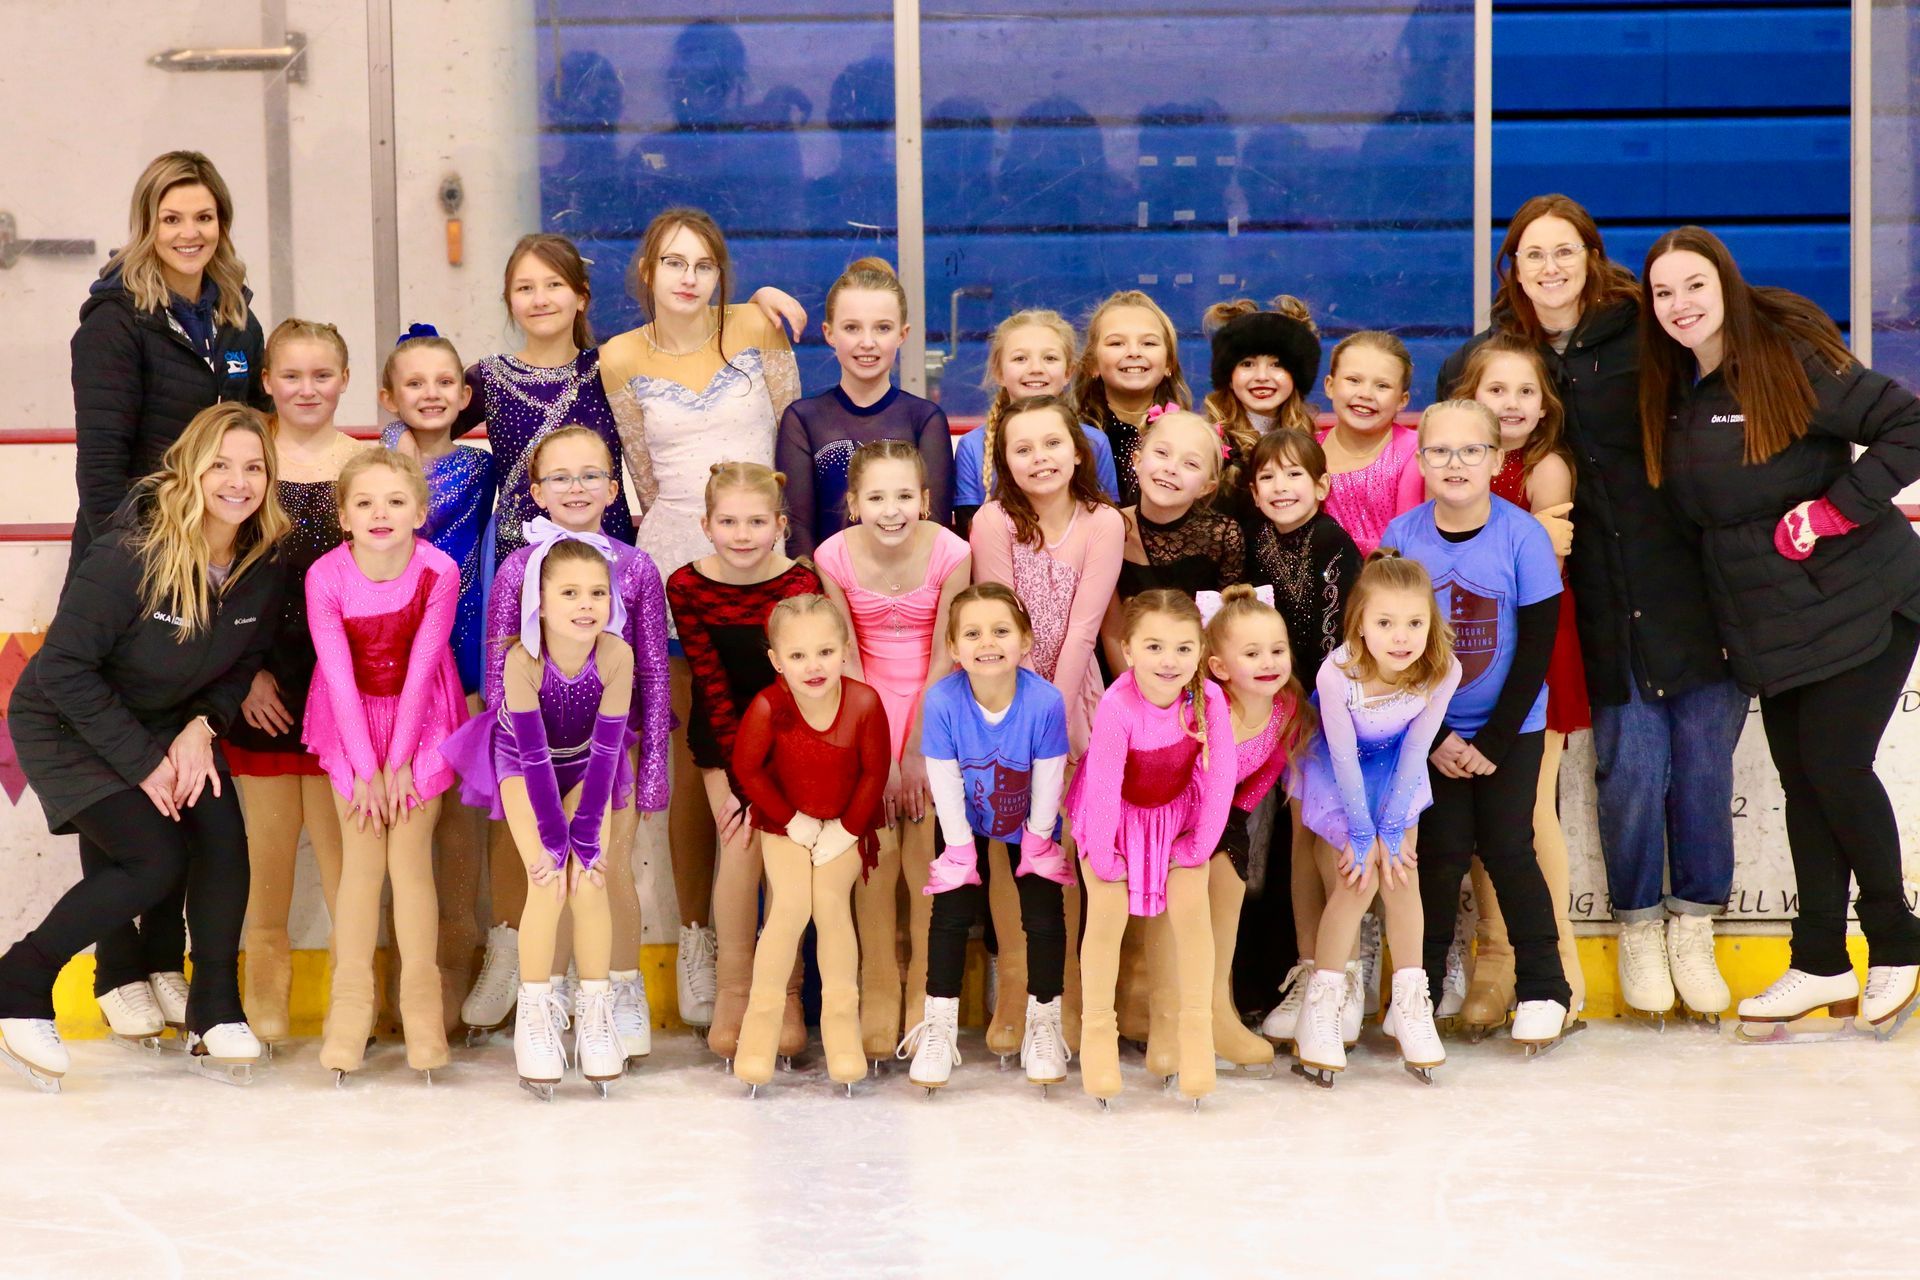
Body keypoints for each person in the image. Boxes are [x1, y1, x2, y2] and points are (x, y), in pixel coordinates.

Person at [1436, 194, 1746, 1026]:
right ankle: (1636, 926)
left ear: (1591, 255)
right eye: (1532, 253)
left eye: (1564, 250)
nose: (1549, 267)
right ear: (1513, 267)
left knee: (1704, 767)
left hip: (1679, 577)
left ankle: (1695, 924)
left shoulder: (1645, 331)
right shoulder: (1494, 358)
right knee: (1631, 769)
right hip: (1588, 599)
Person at [1641, 226, 1920, 1039]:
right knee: (1807, 783)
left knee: (1834, 765)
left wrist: (1837, 510)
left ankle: (1898, 941)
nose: (1680, 305)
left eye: (1694, 285)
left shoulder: (1788, 358)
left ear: (1725, 284)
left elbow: (1907, 424)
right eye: (1663, 293)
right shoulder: (1679, 393)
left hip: (1864, 598)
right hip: (1772, 620)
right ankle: (1820, 963)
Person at [0, 403, 287, 1091]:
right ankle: (21, 980)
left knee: (222, 835)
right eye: (221, 464)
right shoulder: (130, 552)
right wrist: (145, 764)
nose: (238, 481)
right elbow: (65, 669)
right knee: (153, 859)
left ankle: (215, 1005)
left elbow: (241, 666)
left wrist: (202, 729)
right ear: (190, 469)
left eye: (253, 467)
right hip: (68, 720)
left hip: (168, 719)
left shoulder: (265, 558)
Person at [599, 206, 804, 1028]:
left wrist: (769, 542)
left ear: (722, 273)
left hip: (766, 555)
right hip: (679, 560)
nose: (689, 277)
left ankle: (781, 970)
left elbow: (787, 438)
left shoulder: (758, 325)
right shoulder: (619, 356)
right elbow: (643, 473)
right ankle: (698, 939)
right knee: (697, 758)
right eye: (673, 262)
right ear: (646, 270)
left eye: (704, 264)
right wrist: (691, 534)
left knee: (784, 746)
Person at [463, 429, 671, 1064]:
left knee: (606, 874)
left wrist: (655, 764)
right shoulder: (522, 568)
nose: (576, 488)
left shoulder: (634, 569)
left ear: (614, 488)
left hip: (607, 751)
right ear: (535, 492)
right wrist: (537, 795)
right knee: (547, 874)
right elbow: (500, 673)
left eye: (590, 476)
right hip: (528, 753)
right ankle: (542, 1005)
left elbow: (655, 676)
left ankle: (615, 992)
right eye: (560, 477)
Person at [1381, 400, 1574, 1053]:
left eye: (1471, 451)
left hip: (1509, 731)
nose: (1455, 463)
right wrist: (1436, 739)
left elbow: (1535, 647)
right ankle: (1423, 987)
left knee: (1509, 849)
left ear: (1497, 460)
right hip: (1426, 732)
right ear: (1421, 460)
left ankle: (1546, 988)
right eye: (1440, 451)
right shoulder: (1402, 537)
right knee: (1437, 858)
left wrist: (1490, 741)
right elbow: (1387, 649)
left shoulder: (1523, 537)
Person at [442, 537, 637, 1097]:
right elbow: (530, 753)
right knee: (547, 881)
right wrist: (555, 840)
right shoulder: (523, 659)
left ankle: (596, 1015)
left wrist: (586, 837)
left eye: (598, 592)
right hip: (525, 766)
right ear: (541, 604)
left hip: (587, 769)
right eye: (570, 592)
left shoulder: (616, 656)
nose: (586, 604)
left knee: (591, 882)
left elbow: (607, 749)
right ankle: (535, 1013)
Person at [303, 450, 467, 1080]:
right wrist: (368, 769)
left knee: (410, 862)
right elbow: (338, 675)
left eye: (396, 502)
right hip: (351, 725)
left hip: (420, 721)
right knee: (361, 865)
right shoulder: (325, 575)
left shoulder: (438, 569)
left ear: (420, 512)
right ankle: (348, 1011)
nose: (380, 514)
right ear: (343, 514)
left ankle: (422, 1012)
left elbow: (424, 665)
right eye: (365, 502)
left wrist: (399, 762)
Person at [968, 395, 1125, 1049]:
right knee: (1014, 849)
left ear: (1078, 450)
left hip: (1075, 696)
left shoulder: (1104, 522)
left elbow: (1086, 628)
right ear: (1004, 459)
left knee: (1070, 851)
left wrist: (1052, 726)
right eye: (1022, 448)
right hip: (1004, 695)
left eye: (1051, 444)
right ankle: (1016, 990)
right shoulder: (993, 521)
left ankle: (1067, 997)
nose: (1039, 458)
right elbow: (1005, 625)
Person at [1443, 335, 1588, 1030]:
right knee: (1473, 825)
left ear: (1546, 402)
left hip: (1532, 645)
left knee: (1525, 815)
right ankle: (1489, 964)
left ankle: (1554, 970)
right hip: (1464, 648)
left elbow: (1535, 566)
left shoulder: (1545, 468)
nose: (1510, 404)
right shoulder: (1450, 469)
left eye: (1525, 391)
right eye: (1494, 390)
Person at [816, 441, 971, 1058]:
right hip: (864, 707)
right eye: (876, 497)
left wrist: (916, 753)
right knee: (873, 848)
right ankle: (879, 980)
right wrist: (876, 755)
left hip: (936, 707)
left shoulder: (953, 551)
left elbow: (944, 653)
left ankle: (927, 998)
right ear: (853, 504)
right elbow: (846, 655)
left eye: (905, 496)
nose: (891, 510)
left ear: (927, 501)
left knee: (927, 849)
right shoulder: (832, 555)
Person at [225, 321, 355, 1047]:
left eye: (322, 375)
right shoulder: (246, 465)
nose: (308, 389)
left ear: (344, 380)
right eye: (292, 375)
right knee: (267, 861)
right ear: (267, 381)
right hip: (259, 690)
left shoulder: (365, 465)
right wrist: (245, 676)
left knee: (344, 867)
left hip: (340, 694)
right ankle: (264, 989)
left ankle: (351, 997)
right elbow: (218, 582)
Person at [667, 463, 822, 1061]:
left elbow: (803, 682)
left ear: (780, 525)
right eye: (728, 521)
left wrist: (781, 773)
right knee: (739, 845)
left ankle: (783, 991)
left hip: (793, 736)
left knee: (787, 852)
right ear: (705, 525)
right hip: (724, 744)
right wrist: (740, 780)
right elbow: (708, 683)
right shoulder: (685, 585)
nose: (741, 534)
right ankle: (735, 988)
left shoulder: (798, 586)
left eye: (756, 521)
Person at [1291, 552, 1460, 1085]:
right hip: (1340, 773)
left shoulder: (1442, 668)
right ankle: (1321, 1006)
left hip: (1396, 771)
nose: (1401, 636)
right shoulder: (1338, 672)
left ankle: (1410, 1003)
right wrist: (1363, 834)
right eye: (1385, 622)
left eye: (1414, 622)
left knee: (1400, 872)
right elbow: (1341, 756)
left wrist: (1391, 830)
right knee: (1358, 877)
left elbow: (1415, 751)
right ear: (1360, 624)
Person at [901, 584, 1073, 1090]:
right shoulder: (943, 700)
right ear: (954, 648)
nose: (987, 642)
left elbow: (1049, 775)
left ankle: (1044, 1021)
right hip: (964, 818)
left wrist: (1039, 841)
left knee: (1042, 915)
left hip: (1031, 818)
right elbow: (944, 777)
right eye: (972, 634)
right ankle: (939, 1023)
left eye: (1000, 631)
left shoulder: (1044, 702)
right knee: (951, 913)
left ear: (1024, 640)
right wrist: (958, 849)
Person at [1067, 589, 1234, 1107]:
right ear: (1128, 648)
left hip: (1177, 819)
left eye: (1184, 648)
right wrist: (1102, 851)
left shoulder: (1207, 699)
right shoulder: (1119, 705)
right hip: (1111, 819)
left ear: (1201, 651)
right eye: (1155, 647)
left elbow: (1222, 773)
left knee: (1190, 915)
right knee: (1107, 917)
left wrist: (1200, 844)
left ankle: (1193, 1035)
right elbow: (1103, 783)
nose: (1170, 661)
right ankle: (1098, 1035)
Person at [70, 151, 268, 580]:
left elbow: (261, 432)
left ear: (222, 225)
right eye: (172, 219)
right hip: (141, 555)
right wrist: (131, 565)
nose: (190, 233)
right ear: (147, 227)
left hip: (219, 554)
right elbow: (101, 473)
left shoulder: (238, 319)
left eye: (204, 217)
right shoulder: (115, 322)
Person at [379, 327, 496, 1021]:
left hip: (464, 654)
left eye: (444, 382)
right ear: (389, 397)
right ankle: (405, 974)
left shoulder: (481, 471)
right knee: (402, 823)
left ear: (463, 395)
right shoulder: (377, 471)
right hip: (391, 663)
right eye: (414, 384)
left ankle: (456, 960)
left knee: (458, 823)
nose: (430, 394)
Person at [729, 595, 892, 1093]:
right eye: (797, 656)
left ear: (845, 649)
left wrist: (846, 828)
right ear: (777, 660)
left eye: (824, 651)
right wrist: (792, 820)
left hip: (848, 825)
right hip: (786, 825)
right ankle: (759, 1031)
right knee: (791, 905)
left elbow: (874, 770)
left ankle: (843, 1031)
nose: (813, 666)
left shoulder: (864, 702)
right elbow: (748, 769)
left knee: (829, 903)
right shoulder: (768, 705)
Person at [1242, 428, 1363, 1044]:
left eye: (1295, 476)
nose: (1280, 487)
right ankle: (1309, 963)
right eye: (1267, 477)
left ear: (1322, 485)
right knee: (1292, 838)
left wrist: (1311, 710)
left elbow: (1335, 640)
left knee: (1322, 834)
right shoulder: (1254, 540)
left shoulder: (1334, 544)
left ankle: (1339, 975)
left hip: (1326, 712)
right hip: (1276, 708)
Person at [1196, 584, 1313, 1073]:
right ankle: (1174, 1011)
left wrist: (1233, 818)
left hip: (1225, 819)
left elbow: (1266, 772)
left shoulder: (1283, 708)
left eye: (1277, 650)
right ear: (1220, 666)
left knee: (1229, 894)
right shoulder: (1208, 703)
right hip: (1176, 818)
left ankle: (1217, 1007)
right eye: (1252, 653)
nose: (1268, 662)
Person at [775, 258, 952, 556]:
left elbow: (935, 530)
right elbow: (797, 534)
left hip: (912, 592)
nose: (867, 342)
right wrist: (822, 600)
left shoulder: (924, 420)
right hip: (823, 595)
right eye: (852, 328)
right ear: (829, 333)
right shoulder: (803, 420)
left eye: (882, 328)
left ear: (902, 334)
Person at [1098, 407, 1245, 674]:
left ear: (1207, 487)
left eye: (1190, 464)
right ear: (1137, 460)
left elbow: (1225, 628)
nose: (1171, 468)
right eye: (1162, 453)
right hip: (1126, 677)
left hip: (1199, 676)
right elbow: (1112, 631)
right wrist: (1134, 697)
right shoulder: (1110, 527)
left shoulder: (1222, 535)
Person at [950, 310, 1120, 535]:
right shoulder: (972, 446)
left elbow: (1108, 526)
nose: (1036, 368)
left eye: (1050, 358)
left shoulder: (1094, 442)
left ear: (1069, 371)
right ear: (999, 373)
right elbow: (969, 534)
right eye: (1020, 359)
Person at [1202, 295, 1322, 529]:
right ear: (1228, 376)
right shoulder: (1209, 443)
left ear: (1296, 375)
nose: (1262, 377)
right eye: (1247, 364)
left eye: (1277, 364)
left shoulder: (1310, 441)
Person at [1071, 291, 1193, 507]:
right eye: (1117, 343)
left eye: (1148, 343)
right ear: (1092, 364)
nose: (1134, 352)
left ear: (1169, 363)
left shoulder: (1193, 435)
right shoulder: (1074, 436)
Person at [1317, 331, 1423, 556]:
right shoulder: (1308, 451)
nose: (1365, 394)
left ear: (1402, 400)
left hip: (1389, 582)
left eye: (1382, 386)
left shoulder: (1414, 451)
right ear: (1330, 385)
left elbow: (1407, 543)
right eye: (1353, 380)